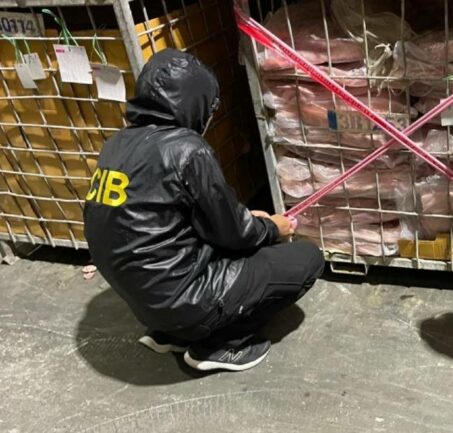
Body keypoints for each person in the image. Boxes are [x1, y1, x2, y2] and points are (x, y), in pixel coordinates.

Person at [83, 49, 324, 372]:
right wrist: (272, 227)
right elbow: (234, 234)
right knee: (306, 259)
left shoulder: (116, 145)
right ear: (195, 103)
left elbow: (164, 222)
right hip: (185, 299)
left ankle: (170, 334)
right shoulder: (185, 148)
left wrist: (246, 221)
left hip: (145, 302)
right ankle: (219, 344)